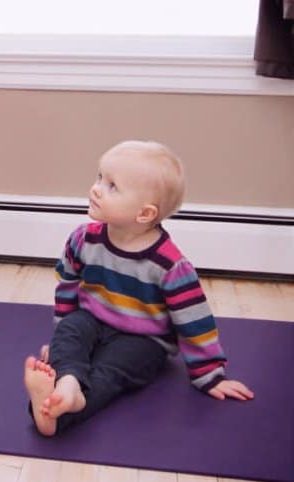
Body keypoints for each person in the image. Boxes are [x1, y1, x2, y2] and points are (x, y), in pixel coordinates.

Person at [23, 140, 254, 437]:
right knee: (71, 330)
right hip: (93, 321)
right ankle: (67, 380)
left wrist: (209, 375)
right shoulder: (83, 239)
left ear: (144, 214)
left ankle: (64, 410)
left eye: (112, 186)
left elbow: (195, 323)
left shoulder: (169, 265)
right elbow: (67, 285)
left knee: (111, 371)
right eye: (99, 178)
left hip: (144, 340)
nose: (96, 188)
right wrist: (58, 341)